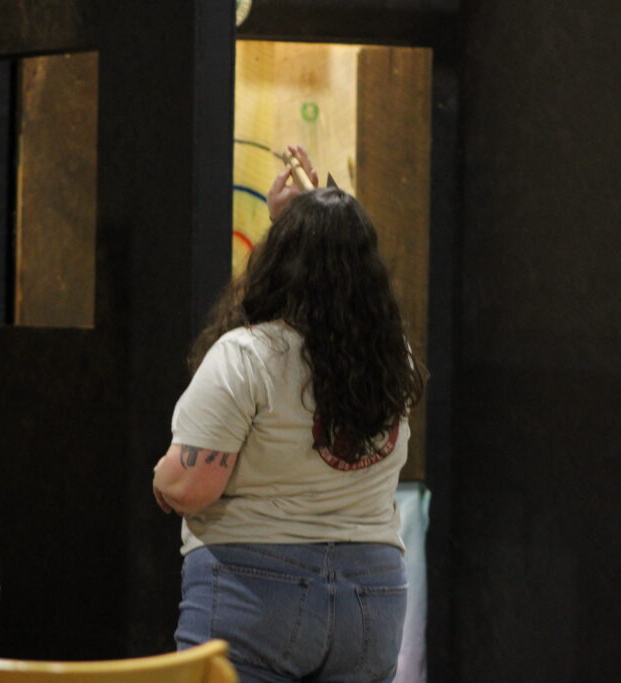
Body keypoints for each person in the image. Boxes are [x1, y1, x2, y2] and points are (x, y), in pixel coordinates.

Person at [152, 145, 425, 683]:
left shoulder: (246, 354)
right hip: (371, 596)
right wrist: (319, 228)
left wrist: (163, 479)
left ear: (276, 263)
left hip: (255, 588)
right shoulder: (393, 356)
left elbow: (189, 487)